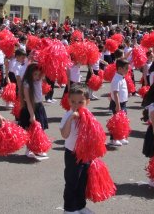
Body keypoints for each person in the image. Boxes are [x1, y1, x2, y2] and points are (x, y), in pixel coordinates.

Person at [59, 83, 92, 214]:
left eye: (80, 102)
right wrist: (71, 119)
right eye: (73, 102)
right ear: (68, 101)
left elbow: (93, 135)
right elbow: (64, 134)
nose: (76, 105)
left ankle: (80, 205)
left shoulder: (89, 115)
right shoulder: (68, 115)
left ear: (87, 102)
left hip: (85, 154)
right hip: (72, 153)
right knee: (72, 181)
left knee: (83, 181)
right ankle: (69, 208)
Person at [18, 63, 49, 160]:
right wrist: (32, 115)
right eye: (35, 74)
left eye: (38, 74)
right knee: (30, 130)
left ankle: (37, 148)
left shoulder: (39, 79)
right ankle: (29, 149)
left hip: (39, 107)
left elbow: (46, 68)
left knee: (40, 129)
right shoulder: (26, 83)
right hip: (30, 108)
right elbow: (28, 100)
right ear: (30, 73)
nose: (37, 76)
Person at [108, 59, 129, 147]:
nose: (128, 70)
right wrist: (117, 105)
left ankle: (121, 137)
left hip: (123, 103)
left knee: (122, 121)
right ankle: (113, 139)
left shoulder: (121, 77)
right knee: (116, 122)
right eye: (126, 68)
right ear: (120, 68)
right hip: (118, 104)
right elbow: (115, 93)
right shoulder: (116, 79)